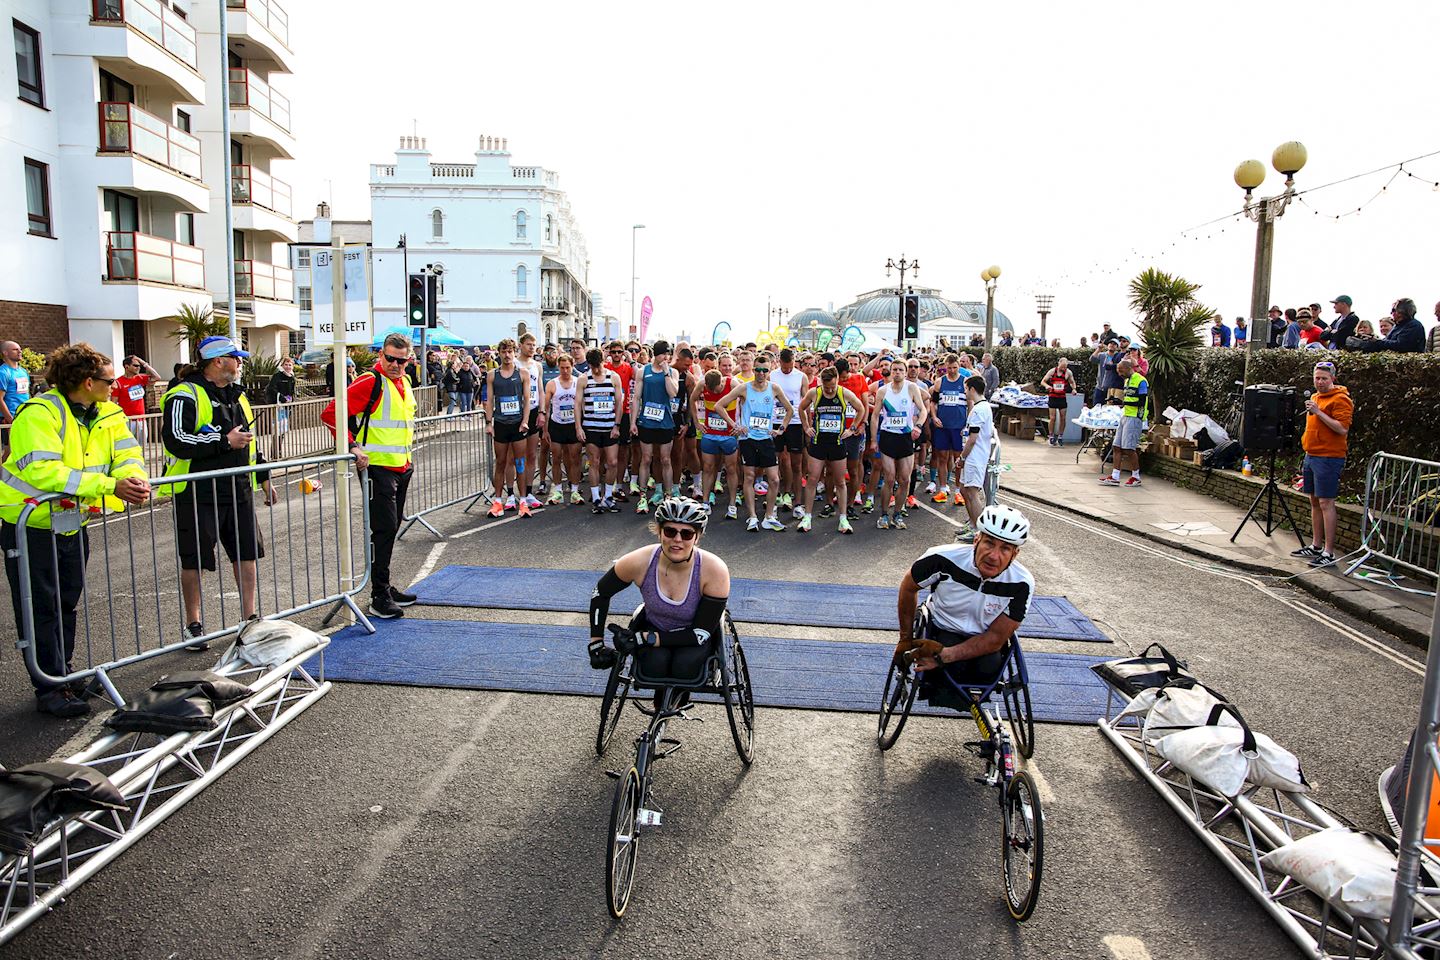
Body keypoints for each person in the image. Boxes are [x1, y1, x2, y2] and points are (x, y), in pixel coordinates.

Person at [0, 343, 151, 717]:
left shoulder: (108, 412)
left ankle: (63, 675)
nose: (115, 386)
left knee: (66, 601)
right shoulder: (39, 414)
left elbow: (129, 453)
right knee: (40, 608)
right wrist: (108, 486)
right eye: (109, 380)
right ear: (87, 382)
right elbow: (43, 471)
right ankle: (48, 686)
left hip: (71, 522)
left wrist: (134, 480)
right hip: (30, 526)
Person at [163, 336, 280, 645]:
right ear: (217, 361)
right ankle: (194, 625)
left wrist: (264, 477)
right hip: (198, 492)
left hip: (239, 489)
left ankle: (249, 619)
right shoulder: (183, 395)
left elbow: (249, 442)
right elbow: (175, 440)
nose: (240, 362)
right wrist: (224, 442)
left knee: (247, 554)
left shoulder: (238, 396)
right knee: (195, 560)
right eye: (235, 357)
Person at [585, 498, 731, 700]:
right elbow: (600, 593)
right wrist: (596, 643)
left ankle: (674, 700)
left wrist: (644, 639)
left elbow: (699, 634)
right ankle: (660, 705)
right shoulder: (639, 561)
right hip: (655, 626)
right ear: (659, 532)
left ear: (697, 537)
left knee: (685, 666)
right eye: (670, 531)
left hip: (694, 634)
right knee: (654, 665)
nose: (677, 540)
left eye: (686, 534)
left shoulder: (714, 570)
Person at [893, 505, 1035, 709]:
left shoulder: (1022, 583)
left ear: (1015, 554)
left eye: (1005, 548)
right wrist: (905, 639)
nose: (994, 556)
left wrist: (945, 656)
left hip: (983, 640)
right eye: (989, 543)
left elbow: (995, 638)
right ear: (976, 539)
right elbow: (908, 587)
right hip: (942, 629)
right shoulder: (941, 558)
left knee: (990, 666)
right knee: (951, 667)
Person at [321, 332, 418, 619]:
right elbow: (332, 414)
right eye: (390, 359)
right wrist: (353, 446)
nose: (395, 365)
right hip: (377, 468)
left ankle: (384, 585)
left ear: (408, 360)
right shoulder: (369, 381)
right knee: (383, 529)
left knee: (391, 527)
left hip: (401, 467)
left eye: (401, 361)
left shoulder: (406, 382)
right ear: (381, 356)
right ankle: (378, 595)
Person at [714, 356, 794, 531]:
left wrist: (781, 428)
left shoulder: (774, 388)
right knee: (749, 477)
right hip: (748, 439)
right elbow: (719, 405)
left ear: (769, 370)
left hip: (766, 438)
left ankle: (769, 516)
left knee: (773, 479)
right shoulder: (744, 388)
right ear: (754, 369)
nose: (761, 373)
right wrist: (735, 425)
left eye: (765, 370)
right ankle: (752, 517)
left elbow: (789, 409)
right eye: (758, 370)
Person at [1292, 360, 1354, 569]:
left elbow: (1342, 429)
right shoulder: (1315, 398)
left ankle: (1329, 552)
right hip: (1311, 454)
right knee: (1314, 502)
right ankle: (1316, 546)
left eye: (1324, 379)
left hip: (1329, 457)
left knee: (1326, 503)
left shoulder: (1341, 400)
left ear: (1333, 379)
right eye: (1317, 378)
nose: (1319, 382)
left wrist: (1319, 412)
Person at [796, 365, 865, 534]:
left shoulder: (844, 393)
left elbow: (861, 408)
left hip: (837, 443)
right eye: (827, 387)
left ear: (837, 381)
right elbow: (801, 408)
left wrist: (853, 428)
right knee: (812, 479)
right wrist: (806, 426)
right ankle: (807, 517)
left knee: (840, 481)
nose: (829, 390)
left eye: (832, 386)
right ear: (821, 382)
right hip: (819, 442)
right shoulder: (815, 393)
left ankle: (843, 519)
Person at [867, 357, 928, 531]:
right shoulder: (883, 391)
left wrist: (918, 426)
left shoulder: (912, 388)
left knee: (905, 479)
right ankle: (884, 514)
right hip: (888, 436)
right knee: (889, 478)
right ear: (890, 371)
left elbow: (923, 410)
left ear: (906, 371)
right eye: (895, 370)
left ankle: (898, 513)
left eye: (901, 370)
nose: (897, 373)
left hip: (905, 437)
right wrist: (873, 439)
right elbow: (875, 415)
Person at [630, 340, 681, 514]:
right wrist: (633, 422)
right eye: (662, 354)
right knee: (646, 459)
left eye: (668, 354)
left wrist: (667, 373)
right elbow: (636, 398)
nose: (666, 357)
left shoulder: (672, 372)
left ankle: (668, 496)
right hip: (647, 422)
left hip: (665, 421)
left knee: (665, 460)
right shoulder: (643, 371)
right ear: (655, 354)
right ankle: (643, 497)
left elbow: (673, 392)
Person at [484, 338, 533, 517]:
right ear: (499, 353)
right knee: (501, 463)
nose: (507, 355)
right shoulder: (492, 375)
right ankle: (498, 502)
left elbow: (527, 400)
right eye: (503, 352)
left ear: (514, 352)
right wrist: (489, 423)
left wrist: (525, 421)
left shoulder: (523, 373)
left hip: (518, 424)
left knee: (520, 464)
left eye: (510, 351)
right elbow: (489, 401)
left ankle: (523, 502)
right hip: (501, 424)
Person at [577, 347, 623, 513]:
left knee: (612, 462)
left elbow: (619, 403)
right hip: (591, 427)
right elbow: (577, 404)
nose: (596, 370)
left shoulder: (614, 377)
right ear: (589, 365)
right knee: (594, 462)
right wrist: (578, 427)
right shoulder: (583, 379)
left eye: (598, 365)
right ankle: (596, 498)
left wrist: (617, 425)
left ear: (603, 362)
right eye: (592, 366)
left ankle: (609, 497)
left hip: (609, 426)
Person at [1099, 357, 1148, 488]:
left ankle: (1136, 476)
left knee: (1129, 448)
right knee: (1116, 446)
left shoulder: (1141, 381)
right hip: (1125, 415)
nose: (1119, 374)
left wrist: (1123, 402)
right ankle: (1115, 476)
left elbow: (1142, 401)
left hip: (1134, 417)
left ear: (1129, 368)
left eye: (1121, 371)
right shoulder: (1127, 381)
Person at [770, 348, 809, 515]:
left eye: (790, 366)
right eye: (784, 367)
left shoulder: (801, 376)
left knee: (796, 463)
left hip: (795, 423)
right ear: (779, 362)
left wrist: (807, 425)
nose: (787, 370)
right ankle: (778, 494)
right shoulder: (773, 375)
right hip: (775, 421)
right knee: (776, 460)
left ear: (794, 362)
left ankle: (797, 501)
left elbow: (806, 402)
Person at [542, 352, 584, 506]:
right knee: (556, 458)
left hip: (573, 424)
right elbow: (546, 408)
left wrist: (582, 426)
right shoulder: (552, 384)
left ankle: (574, 490)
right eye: (562, 368)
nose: (565, 371)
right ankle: (558, 490)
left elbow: (583, 405)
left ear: (572, 367)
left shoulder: (578, 382)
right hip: (557, 424)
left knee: (575, 458)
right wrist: (545, 430)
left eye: (567, 368)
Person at [928, 354, 968, 505]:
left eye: (955, 368)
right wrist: (934, 416)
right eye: (949, 368)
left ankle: (958, 491)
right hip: (942, 426)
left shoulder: (964, 382)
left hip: (958, 426)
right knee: (942, 457)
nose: (951, 371)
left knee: (958, 460)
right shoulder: (940, 382)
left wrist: (967, 424)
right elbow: (933, 403)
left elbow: (970, 403)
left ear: (959, 366)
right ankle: (943, 489)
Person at [111, 354, 160, 443]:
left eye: (139, 366)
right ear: (127, 367)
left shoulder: (140, 378)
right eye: (135, 365)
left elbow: (157, 377)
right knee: (128, 446)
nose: (138, 368)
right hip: (127, 421)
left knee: (143, 448)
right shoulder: (118, 382)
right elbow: (113, 403)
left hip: (141, 420)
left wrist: (143, 363)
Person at [1349, 299, 1425, 353]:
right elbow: (1387, 341)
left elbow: (1401, 346)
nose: (1391, 313)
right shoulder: (1397, 326)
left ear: (1401, 312)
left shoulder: (1413, 325)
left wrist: (1377, 342)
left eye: (1393, 310)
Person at [0, 340, 32, 456]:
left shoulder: (23, 371)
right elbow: (0, 399)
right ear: (5, 353)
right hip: (11, 417)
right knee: (11, 450)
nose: (20, 351)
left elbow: (26, 394)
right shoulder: (3, 372)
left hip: (25, 415)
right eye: (15, 349)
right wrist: (10, 419)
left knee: (22, 448)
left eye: (20, 349)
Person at [265, 355, 297, 460]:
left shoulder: (292, 377)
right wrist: (282, 398)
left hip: (287, 407)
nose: (288, 367)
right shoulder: (277, 376)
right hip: (278, 406)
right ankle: (274, 453)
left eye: (290, 365)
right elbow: (272, 389)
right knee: (277, 430)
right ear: (282, 365)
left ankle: (278, 452)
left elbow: (292, 392)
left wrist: (292, 400)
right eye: (286, 365)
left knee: (283, 430)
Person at [1041, 356, 1077, 447]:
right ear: (1059, 364)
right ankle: (1051, 435)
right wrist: (1047, 386)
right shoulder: (1052, 371)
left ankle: (1060, 436)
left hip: (1062, 397)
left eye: (1065, 367)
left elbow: (1072, 382)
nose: (1063, 369)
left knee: (1063, 417)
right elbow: (1043, 381)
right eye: (1062, 367)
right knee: (1052, 418)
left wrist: (1074, 389)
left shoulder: (1068, 372)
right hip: (1053, 396)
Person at [1091, 340, 1122, 406]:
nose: (1112, 345)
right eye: (1110, 343)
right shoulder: (1102, 355)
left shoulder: (1118, 357)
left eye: (1114, 344)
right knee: (1096, 409)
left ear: (1117, 347)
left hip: (1111, 390)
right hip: (1099, 388)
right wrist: (1099, 349)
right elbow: (1092, 359)